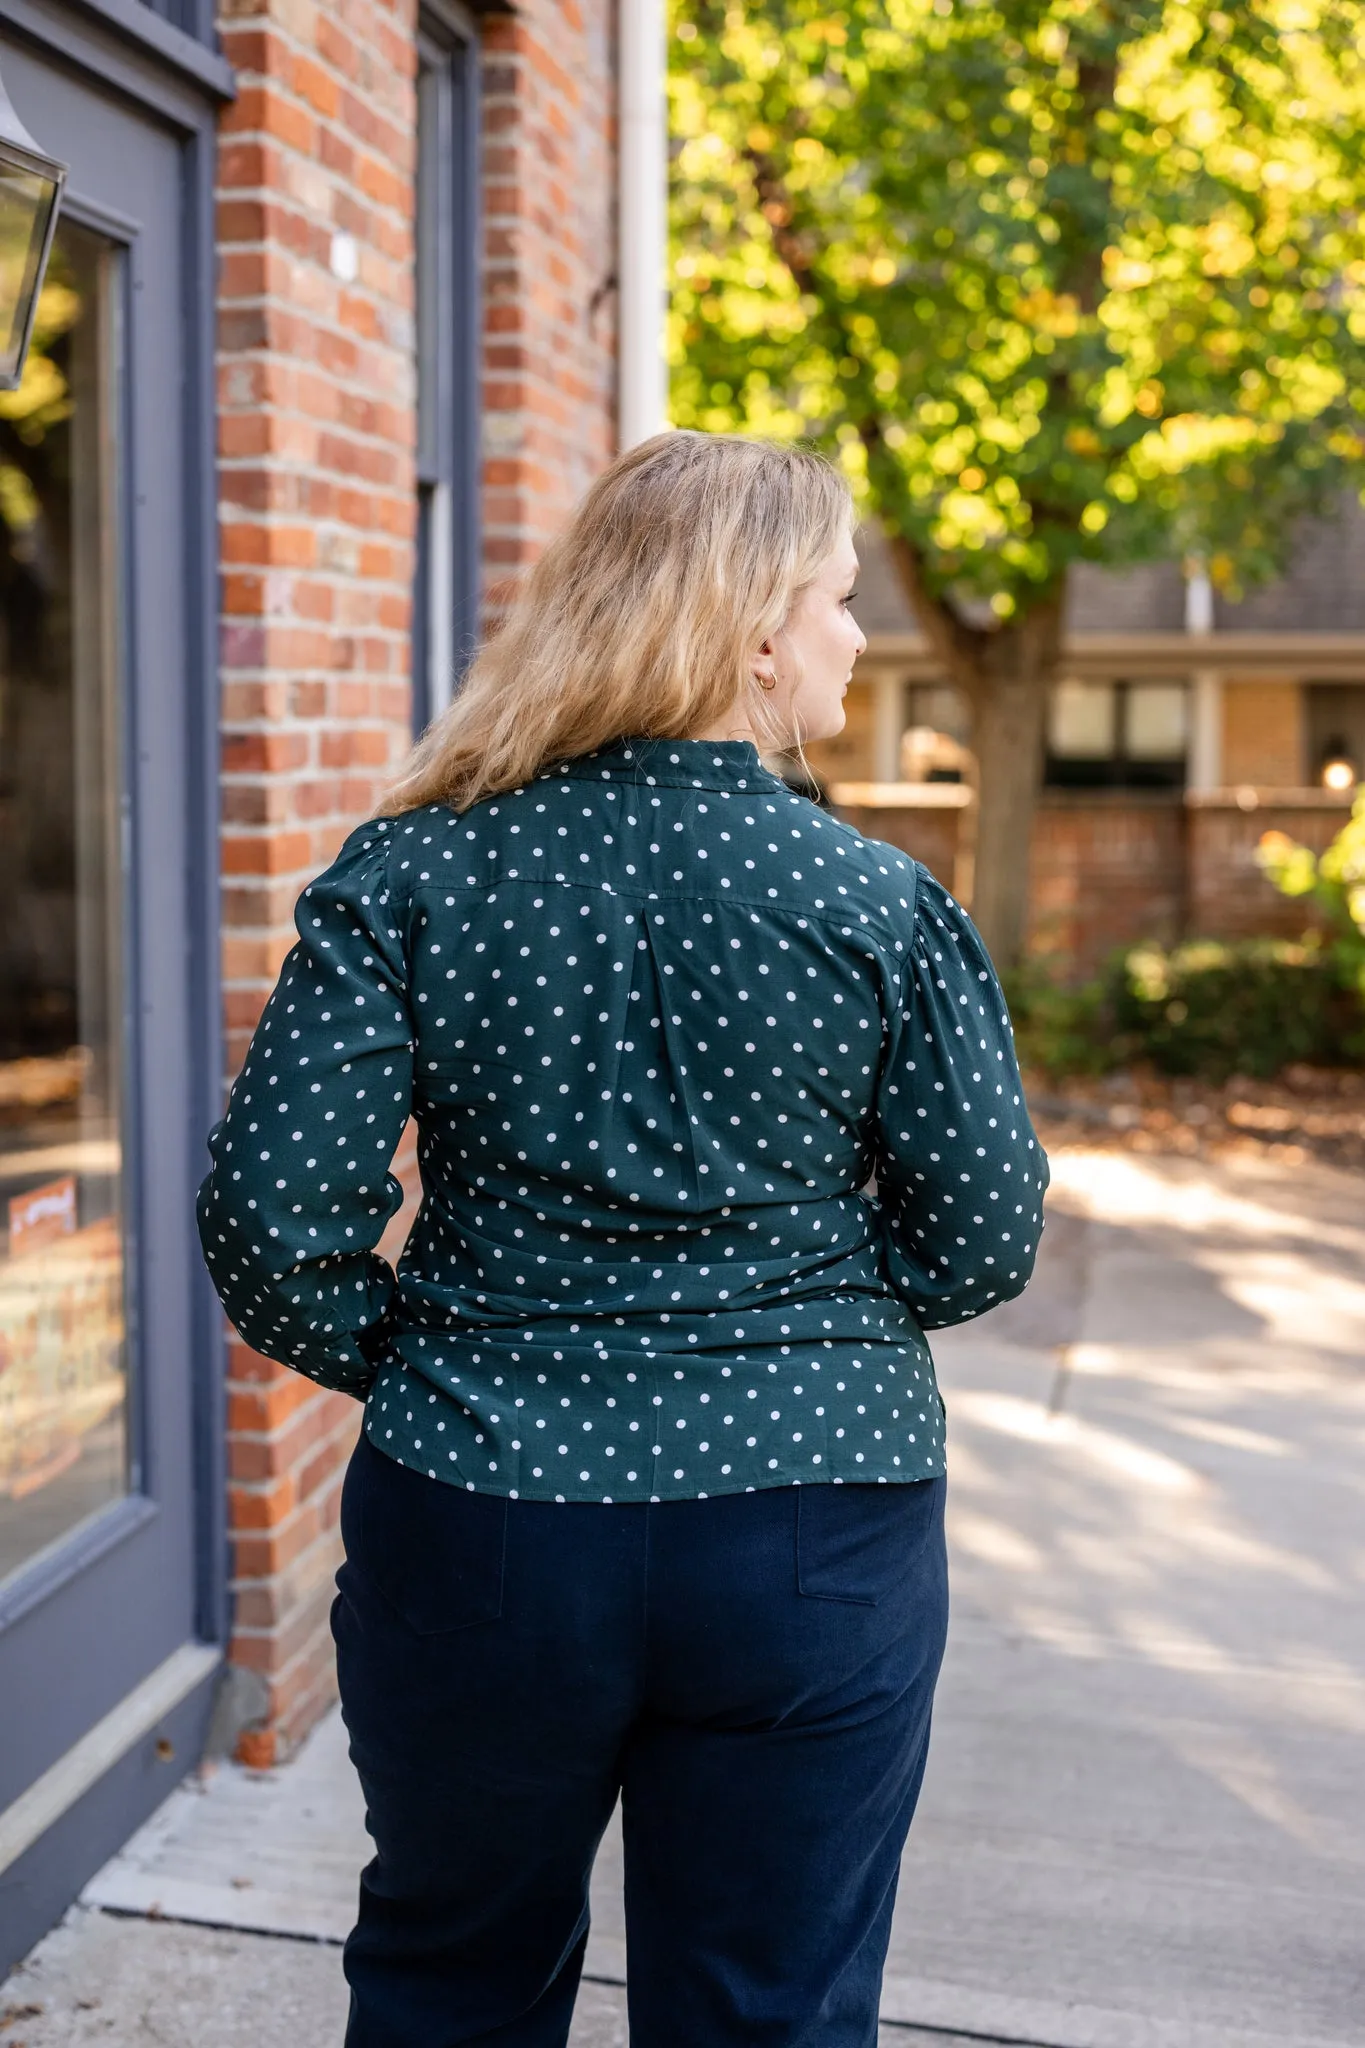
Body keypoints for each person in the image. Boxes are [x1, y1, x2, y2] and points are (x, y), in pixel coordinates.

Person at [197, 430, 1048, 2048]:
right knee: (769, 2011)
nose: (859, 638)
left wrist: (426, 1357)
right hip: (812, 1527)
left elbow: (269, 1216)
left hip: (490, 1512)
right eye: (840, 603)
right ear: (752, 636)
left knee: (454, 1979)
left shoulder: (424, 867)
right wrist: (828, 1329)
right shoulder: (877, 903)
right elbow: (985, 1235)